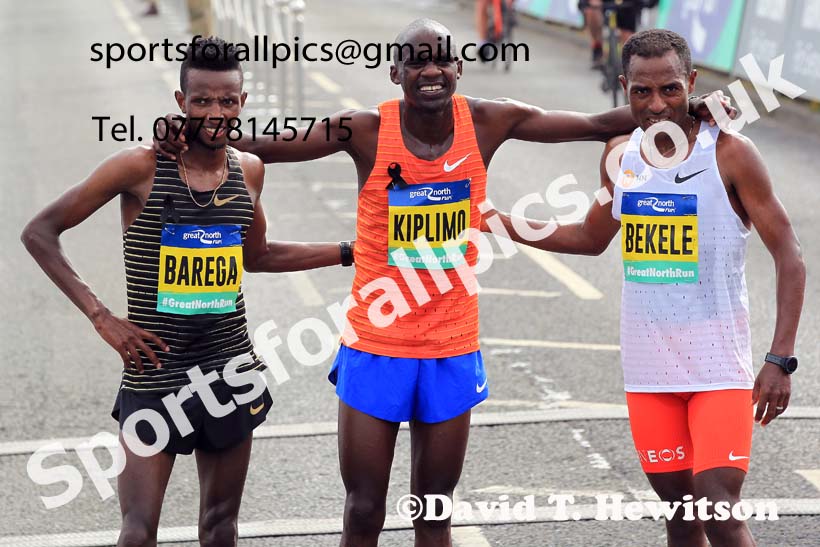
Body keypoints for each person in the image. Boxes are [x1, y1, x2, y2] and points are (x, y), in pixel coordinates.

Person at [154, 22, 733, 547]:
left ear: (458, 67)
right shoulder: (364, 129)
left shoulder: (488, 120)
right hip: (376, 345)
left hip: (452, 346)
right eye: (416, 61)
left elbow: (593, 125)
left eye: (442, 60)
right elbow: (270, 147)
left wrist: (691, 112)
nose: (430, 71)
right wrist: (193, 135)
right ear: (395, 72)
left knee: (435, 514)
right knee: (363, 511)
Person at [22, 36, 352, 547]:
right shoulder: (141, 167)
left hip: (229, 367)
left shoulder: (249, 170)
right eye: (201, 100)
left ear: (242, 103)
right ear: (181, 103)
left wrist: (349, 251)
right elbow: (40, 231)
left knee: (220, 529)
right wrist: (101, 316)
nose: (215, 111)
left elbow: (256, 256)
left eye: (227, 100)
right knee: (137, 533)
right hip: (156, 371)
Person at [484, 29, 805, 547]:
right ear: (624, 88)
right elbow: (590, 238)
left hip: (717, 368)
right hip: (649, 372)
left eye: (671, 89)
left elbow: (789, 255)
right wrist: (493, 221)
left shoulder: (730, 154)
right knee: (680, 517)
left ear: (692, 83)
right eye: (642, 92)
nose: (657, 104)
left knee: (719, 509)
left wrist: (780, 359)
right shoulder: (621, 156)